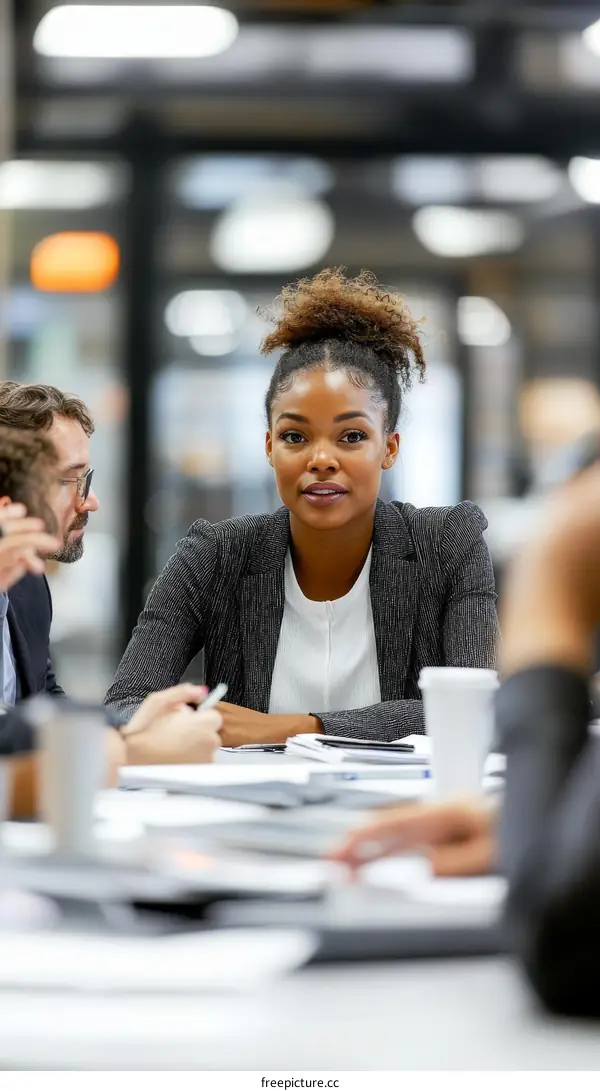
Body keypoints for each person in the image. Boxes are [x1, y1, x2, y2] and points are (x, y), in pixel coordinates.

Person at [106, 269, 499, 744]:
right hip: (248, 810)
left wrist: (295, 729)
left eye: (352, 437)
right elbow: (125, 707)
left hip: (402, 811)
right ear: (270, 446)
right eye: (295, 437)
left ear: (389, 448)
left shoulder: (447, 545)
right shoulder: (216, 555)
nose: (321, 460)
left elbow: (477, 708)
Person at [334, 456, 600, 1017]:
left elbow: (568, 943)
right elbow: (130, 698)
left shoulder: (448, 547)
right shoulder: (222, 552)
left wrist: (551, 584)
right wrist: (537, 817)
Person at [0, 383, 222, 767]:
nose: (91, 500)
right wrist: (131, 750)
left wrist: (127, 727)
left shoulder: (26, 585)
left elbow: (43, 703)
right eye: (72, 479)